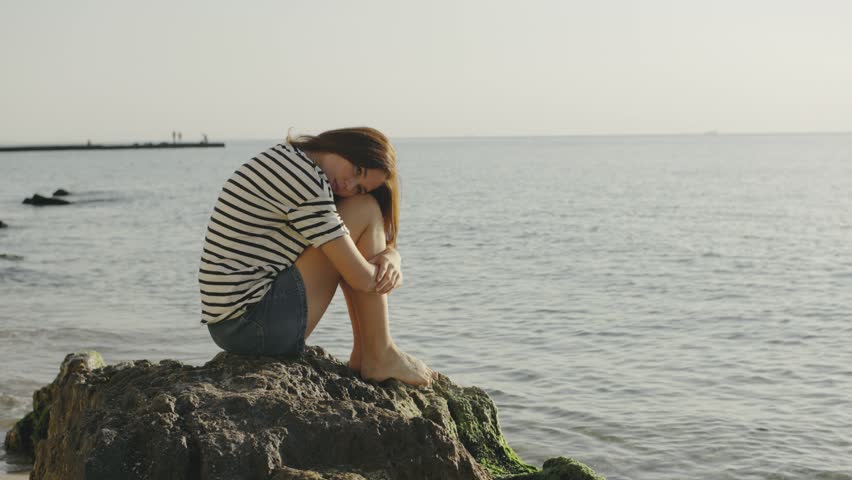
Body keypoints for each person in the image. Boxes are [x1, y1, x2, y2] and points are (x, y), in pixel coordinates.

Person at [199, 127, 433, 387]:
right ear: (346, 146)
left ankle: (366, 354)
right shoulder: (306, 183)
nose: (348, 186)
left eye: (359, 188)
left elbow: (347, 250)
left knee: (354, 220)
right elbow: (361, 278)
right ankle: (379, 353)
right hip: (253, 326)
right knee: (366, 209)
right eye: (357, 171)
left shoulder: (289, 159)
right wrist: (393, 270)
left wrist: (391, 255)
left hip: (231, 324)